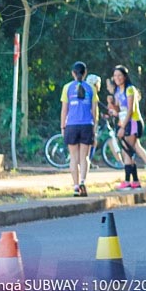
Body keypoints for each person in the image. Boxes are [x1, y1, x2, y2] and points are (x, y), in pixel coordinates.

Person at [61, 61, 99, 197]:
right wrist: (94, 128)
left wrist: (62, 126)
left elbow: (64, 109)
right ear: (85, 73)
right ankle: (83, 181)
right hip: (86, 125)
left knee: (73, 157)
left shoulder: (67, 88)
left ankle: (76, 186)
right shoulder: (91, 89)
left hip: (71, 125)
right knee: (85, 157)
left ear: (73, 73)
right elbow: (95, 111)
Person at [111, 65, 146, 190]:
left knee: (127, 152)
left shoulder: (130, 90)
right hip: (125, 122)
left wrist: (122, 127)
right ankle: (135, 181)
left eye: (120, 75)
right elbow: (120, 109)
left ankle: (127, 181)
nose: (117, 78)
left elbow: (131, 110)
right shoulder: (117, 92)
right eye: (115, 76)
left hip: (133, 122)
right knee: (129, 152)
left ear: (125, 76)